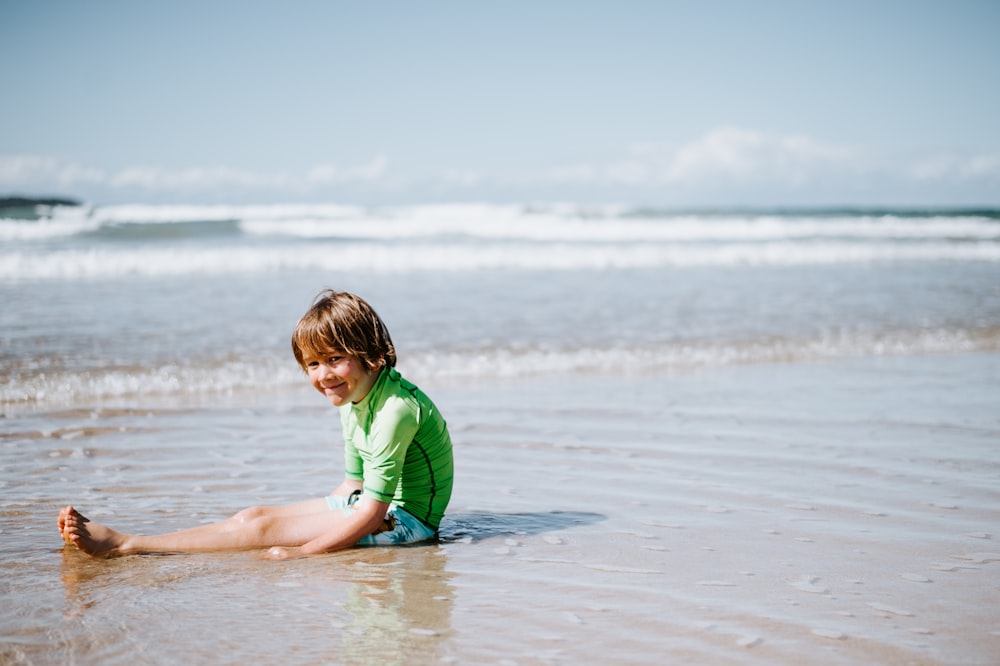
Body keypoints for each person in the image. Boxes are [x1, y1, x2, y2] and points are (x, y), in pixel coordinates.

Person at [58, 290, 454, 559]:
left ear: (370, 354)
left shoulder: (395, 410)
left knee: (263, 532)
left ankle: (129, 545)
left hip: (408, 524)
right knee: (253, 517)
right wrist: (303, 521)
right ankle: (142, 542)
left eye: (335, 358)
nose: (323, 375)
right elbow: (352, 484)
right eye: (313, 364)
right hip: (371, 502)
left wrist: (304, 551)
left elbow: (371, 512)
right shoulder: (354, 395)